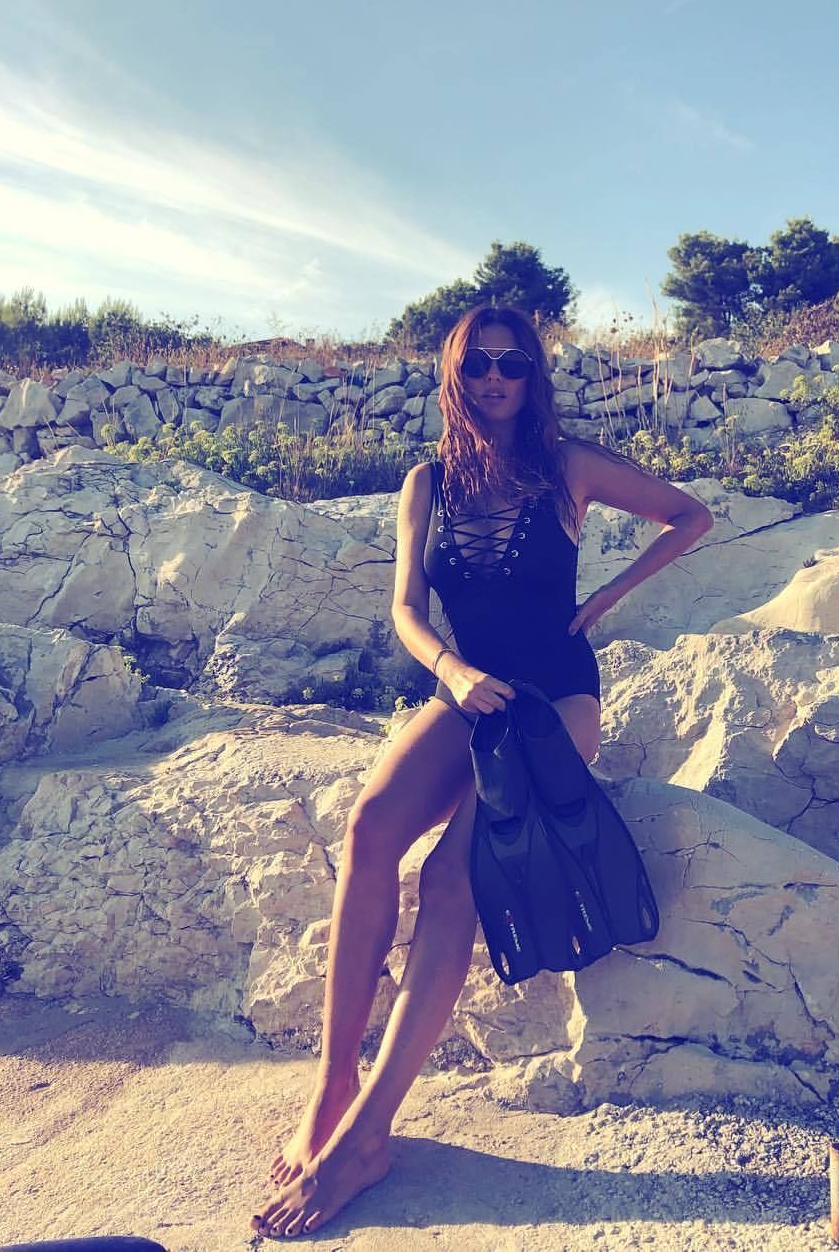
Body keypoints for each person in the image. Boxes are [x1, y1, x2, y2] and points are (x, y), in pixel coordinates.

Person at [250, 304, 714, 1238]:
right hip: (466, 691)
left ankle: (368, 1137)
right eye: (478, 365)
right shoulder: (425, 482)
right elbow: (405, 611)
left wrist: (604, 599)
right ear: (454, 377)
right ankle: (334, 1081)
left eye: (512, 363)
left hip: (555, 699)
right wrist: (453, 673)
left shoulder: (569, 466)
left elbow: (690, 516)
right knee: (369, 830)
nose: (496, 378)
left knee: (454, 873)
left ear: (533, 375)